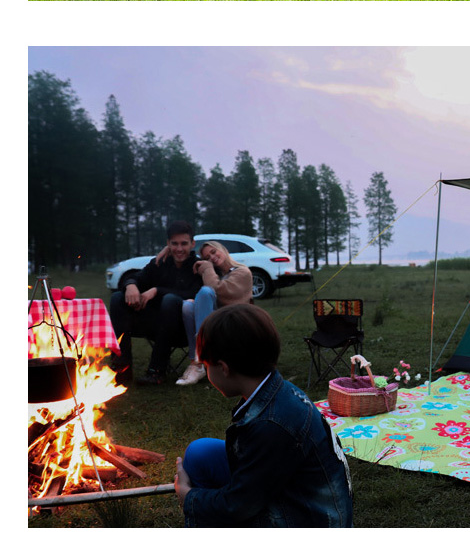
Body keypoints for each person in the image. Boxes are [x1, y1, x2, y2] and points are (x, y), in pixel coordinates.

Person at [175, 304, 353, 527]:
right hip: (295, 493)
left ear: (223, 368)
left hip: (307, 519)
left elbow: (239, 505)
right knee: (200, 453)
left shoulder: (272, 424)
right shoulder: (277, 390)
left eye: (206, 364)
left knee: (215, 503)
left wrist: (187, 497)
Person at [108, 220, 201, 385]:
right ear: (168, 244)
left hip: (182, 329)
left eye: (184, 244)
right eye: (174, 244)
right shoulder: (160, 263)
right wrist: (130, 286)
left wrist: (157, 290)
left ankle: (156, 371)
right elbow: (136, 277)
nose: (179, 249)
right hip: (154, 325)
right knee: (117, 298)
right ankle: (122, 368)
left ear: (192, 244)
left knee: (170, 300)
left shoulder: (198, 266)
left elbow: (194, 294)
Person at [177, 241, 254, 387]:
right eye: (206, 257)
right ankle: (197, 363)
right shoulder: (215, 274)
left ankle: (199, 356)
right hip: (216, 322)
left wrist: (206, 267)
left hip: (236, 322)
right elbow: (213, 297)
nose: (211, 258)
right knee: (187, 306)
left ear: (222, 250)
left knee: (206, 291)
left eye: (213, 252)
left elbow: (217, 290)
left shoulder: (242, 272)